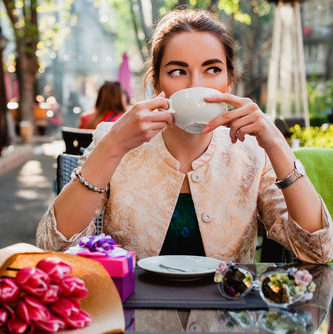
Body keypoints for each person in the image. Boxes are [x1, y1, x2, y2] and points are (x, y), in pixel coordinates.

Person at [37, 9, 333, 263]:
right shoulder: (116, 140)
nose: (196, 85)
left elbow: (318, 250)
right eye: (178, 71)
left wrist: (276, 144)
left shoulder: (254, 152)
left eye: (212, 69)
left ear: (229, 82)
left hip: (224, 319)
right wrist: (112, 145)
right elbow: (53, 247)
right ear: (156, 83)